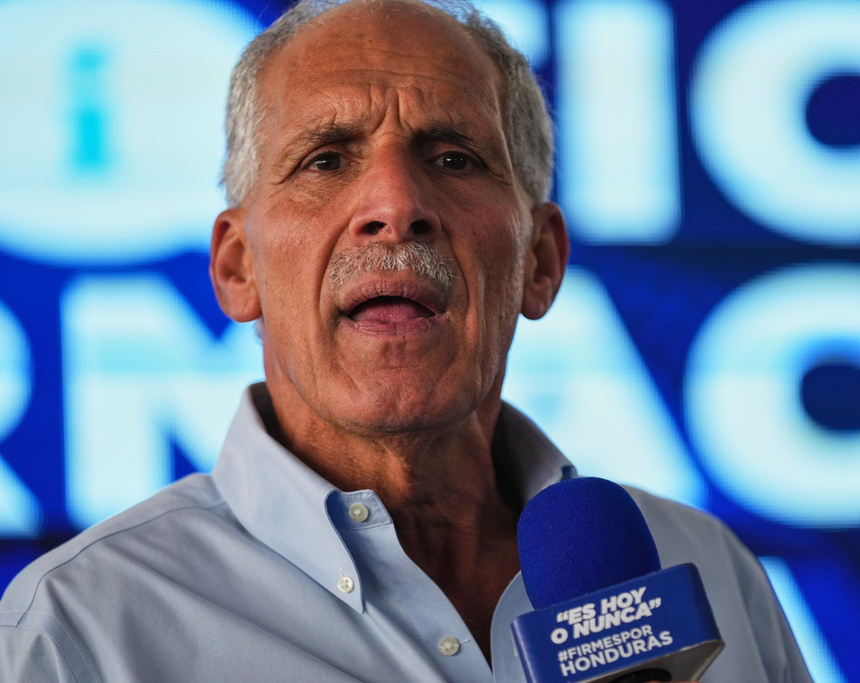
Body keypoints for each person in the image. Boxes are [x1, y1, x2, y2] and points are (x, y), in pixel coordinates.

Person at [0, 1, 812, 681]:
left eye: (454, 158)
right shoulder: (80, 628)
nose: (394, 202)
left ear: (540, 261)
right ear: (237, 266)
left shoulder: (708, 568)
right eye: (325, 160)